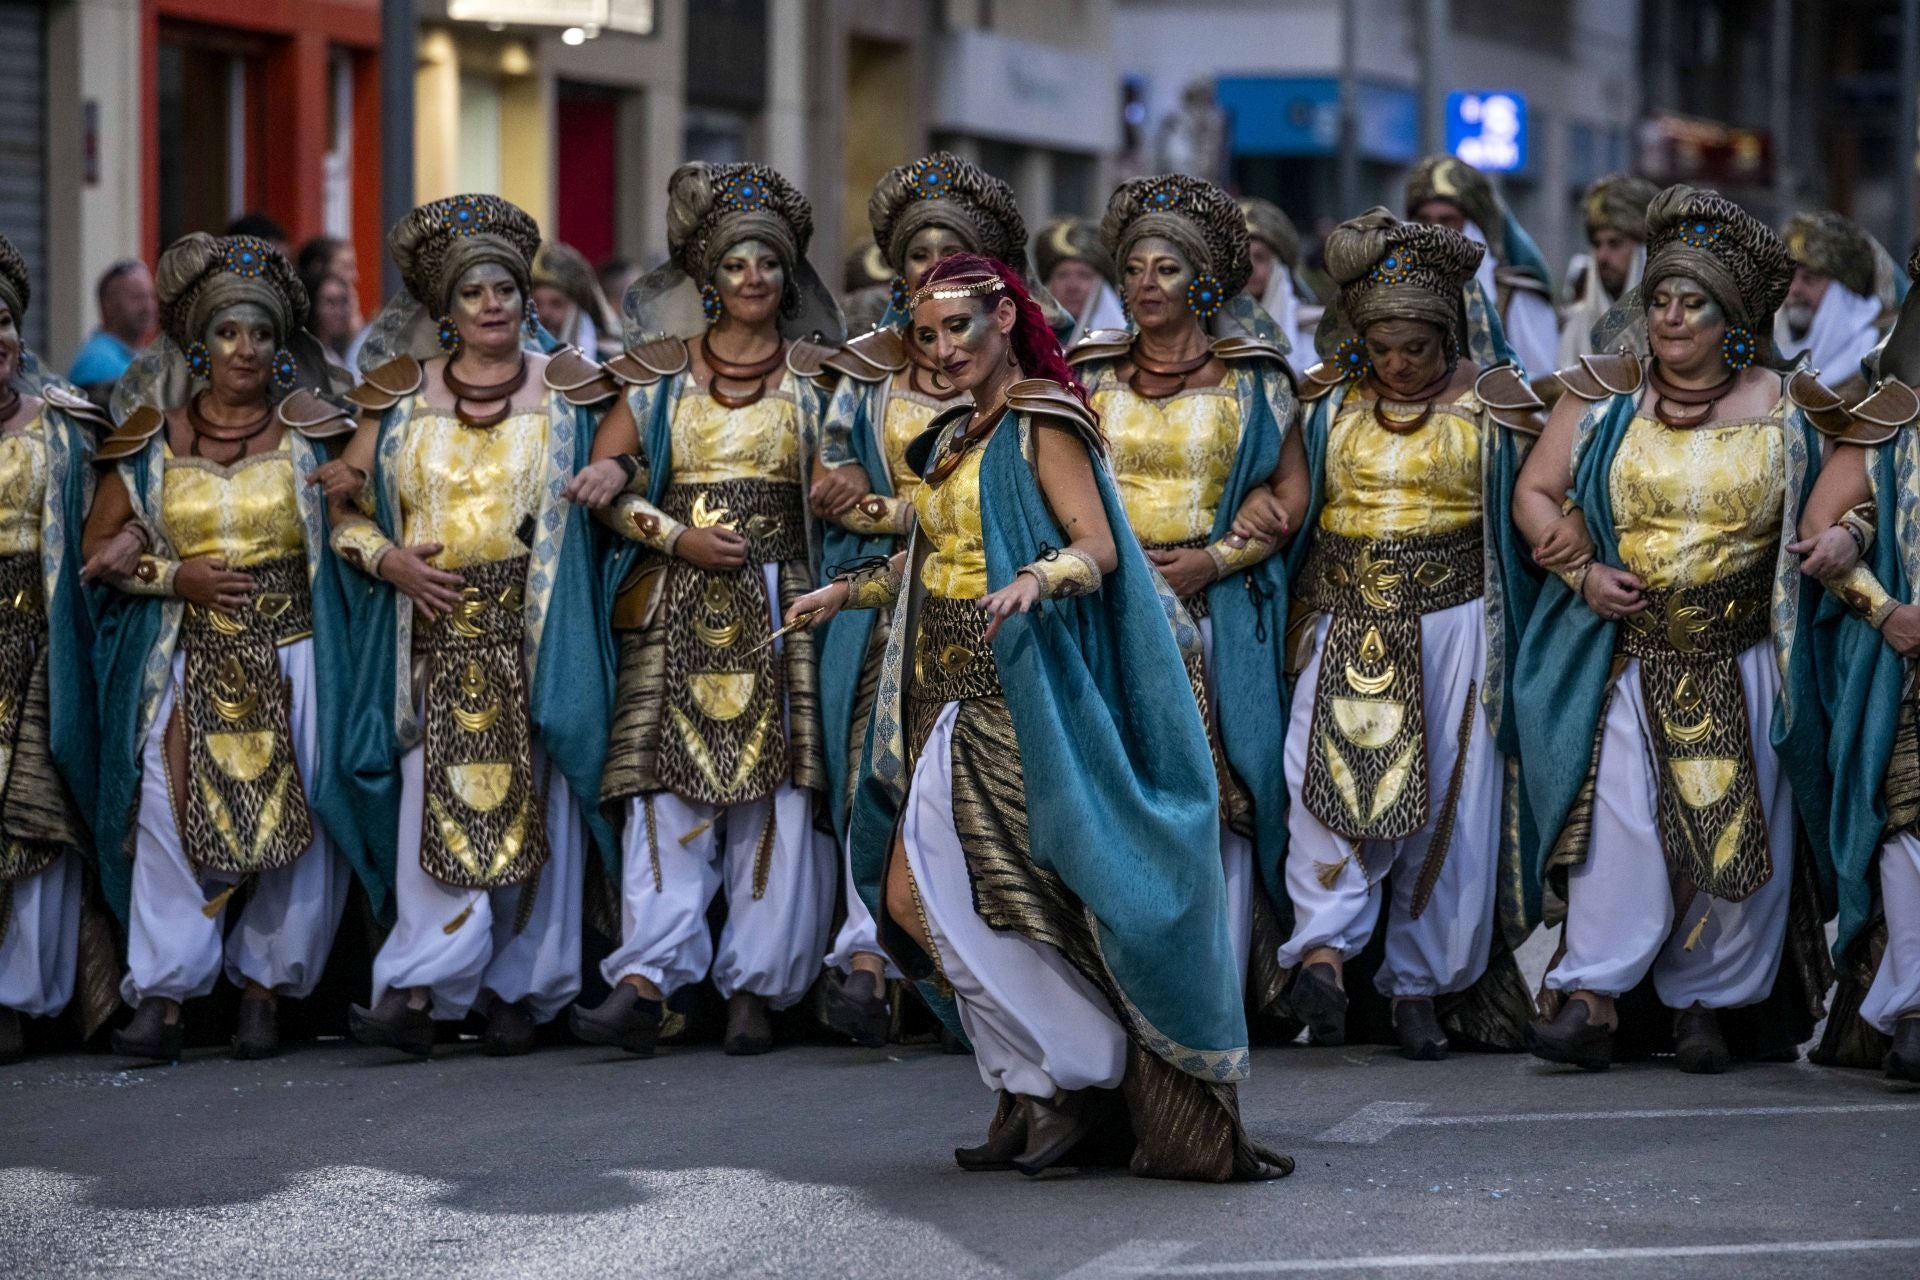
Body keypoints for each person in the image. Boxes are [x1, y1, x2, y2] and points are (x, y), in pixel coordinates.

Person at [787, 253, 1290, 1181]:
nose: (941, 350)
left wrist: (1037, 577)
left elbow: (1096, 547)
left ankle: (1073, 1080)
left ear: (1007, 320)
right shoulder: (954, 435)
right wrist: (846, 593)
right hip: (941, 694)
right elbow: (933, 560)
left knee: (1025, 906)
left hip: (1022, 697)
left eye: (959, 329)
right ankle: (1031, 1082)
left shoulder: (1042, 422)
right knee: (915, 901)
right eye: (927, 335)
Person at [1514, 185, 1836, 1074]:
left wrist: (1846, 537)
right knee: (1622, 826)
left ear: (1731, 317)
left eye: (1691, 304)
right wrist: (1579, 569)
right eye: (1659, 301)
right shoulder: (1603, 396)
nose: (1670, 319)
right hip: (1628, 651)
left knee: (1734, 832)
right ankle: (1593, 996)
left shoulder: (1793, 407)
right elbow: (1534, 492)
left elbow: (1861, 501)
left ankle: (1707, 1007)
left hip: (1745, 657)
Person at [1239, 209, 1543, 1061]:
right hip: (1341, 616)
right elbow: (1276, 491)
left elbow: (1543, 501)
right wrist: (1263, 510)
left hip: (1455, 626)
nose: (1397, 363)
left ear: (1447, 333)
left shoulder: (1500, 405)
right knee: (1321, 782)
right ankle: (1325, 955)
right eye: (1382, 346)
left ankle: (1419, 986)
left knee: (1448, 803)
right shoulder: (1324, 401)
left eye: (1414, 345)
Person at [562, 162, 846, 1058]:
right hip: (676, 598)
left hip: (785, 601)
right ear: (707, 280)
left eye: (768, 262)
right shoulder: (654, 375)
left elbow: (849, 476)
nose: (753, 278)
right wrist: (664, 527)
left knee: (782, 799)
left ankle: (759, 987)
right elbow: (612, 484)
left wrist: (842, 488)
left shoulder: (820, 376)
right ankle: (649, 977)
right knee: (663, 791)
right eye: (734, 264)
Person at [327, 194, 617, 1059]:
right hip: (430, 630)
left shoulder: (571, 388)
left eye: (506, 288)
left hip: (536, 626)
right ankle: (420, 987)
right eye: (472, 293)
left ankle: (521, 993)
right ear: (443, 311)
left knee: (541, 806)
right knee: (430, 806)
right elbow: (342, 517)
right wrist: (390, 561)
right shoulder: (394, 398)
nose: (493, 304)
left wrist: (618, 466)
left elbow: (631, 466)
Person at [85, 232, 365, 1063]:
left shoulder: (317, 432)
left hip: (300, 654)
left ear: (283, 347)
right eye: (228, 333)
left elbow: (352, 530)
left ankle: (265, 990)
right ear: (198, 347)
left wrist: (367, 520)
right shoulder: (149, 441)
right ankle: (165, 995)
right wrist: (176, 579)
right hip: (186, 655)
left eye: (262, 334)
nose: (246, 349)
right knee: (167, 816)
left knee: (301, 822)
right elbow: (100, 559)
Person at [1066, 175, 1300, 1025]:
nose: (1145, 285)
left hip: (1212, 618)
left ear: (1202, 281)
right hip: (1106, 613)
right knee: (1116, 794)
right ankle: (1120, 987)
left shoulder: (1256, 380)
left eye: (1166, 269)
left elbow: (1285, 496)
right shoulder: (1083, 374)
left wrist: (1213, 560)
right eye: (1133, 269)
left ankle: (1219, 986)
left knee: (1221, 795)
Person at [808, 152, 1030, 1047]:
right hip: (890, 619)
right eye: (915, 254)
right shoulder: (865, 376)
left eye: (952, 251)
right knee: (880, 773)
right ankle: (873, 955)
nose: (930, 266)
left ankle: (992, 963)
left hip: (993, 606)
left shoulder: (1026, 389)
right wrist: (900, 515)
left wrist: (901, 512)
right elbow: (832, 486)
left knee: (992, 794)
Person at [1794, 245, 1920, 1082]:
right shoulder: (1893, 415)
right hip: (1910, 663)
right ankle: (1913, 1007)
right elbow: (1819, 536)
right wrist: (1885, 608)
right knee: (1908, 829)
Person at [0, 233, 109, 1065]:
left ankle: (23, 998)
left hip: (41, 646)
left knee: (37, 818)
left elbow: (122, 511)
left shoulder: (68, 424)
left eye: (2, 324)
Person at [1407, 154, 1558, 378]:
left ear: (1473, 227)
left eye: (1447, 220)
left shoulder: (1516, 297)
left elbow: (1544, 391)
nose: (1434, 232)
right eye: (1424, 220)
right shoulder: (1394, 290)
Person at [1777, 211, 1889, 397]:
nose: (1794, 289)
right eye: (1789, 277)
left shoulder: (1879, 364)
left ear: (1842, 291)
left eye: (1809, 278)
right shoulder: (1764, 360)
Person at [1557, 174, 1658, 366]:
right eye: (1596, 244)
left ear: (1643, 249)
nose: (1602, 256)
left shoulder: (1669, 323)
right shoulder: (1577, 325)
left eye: (1615, 243)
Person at [68, 260, 156, 404]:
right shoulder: (97, 362)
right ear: (108, 305)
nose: (149, 307)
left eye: (151, 296)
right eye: (137, 298)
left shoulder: (139, 354)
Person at [1035, 216, 1126, 346]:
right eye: (1062, 275)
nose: (1072, 286)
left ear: (1101, 287)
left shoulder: (1127, 350)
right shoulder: (1021, 345)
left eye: (1084, 275)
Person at [1240, 197, 1310, 358]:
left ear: (1277, 267)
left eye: (1260, 258)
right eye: (1242, 258)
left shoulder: (1310, 330)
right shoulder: (1208, 327)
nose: (1249, 268)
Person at [532, 240, 621, 358]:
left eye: (557, 304)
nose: (545, 313)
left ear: (577, 310)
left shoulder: (609, 361)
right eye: (536, 303)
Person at [303, 272, 357, 371]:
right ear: (314, 306)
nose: (339, 311)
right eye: (330, 302)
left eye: (343, 301)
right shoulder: (304, 357)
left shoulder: (334, 356)